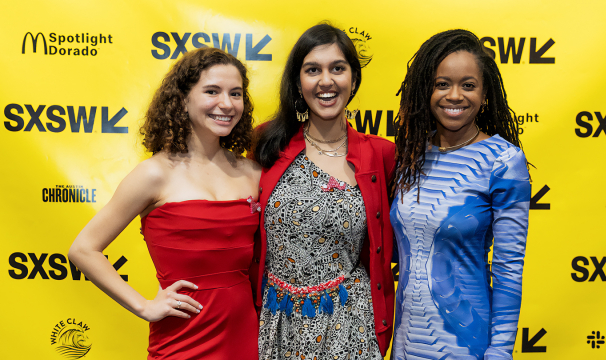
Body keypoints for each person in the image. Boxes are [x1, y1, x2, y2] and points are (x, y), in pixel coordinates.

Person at [68, 47, 261, 360]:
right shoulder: (153, 174)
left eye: (236, 93)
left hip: (246, 337)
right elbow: (83, 249)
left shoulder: (253, 173)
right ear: (183, 100)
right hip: (182, 340)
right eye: (212, 91)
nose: (226, 103)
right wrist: (144, 306)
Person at [251, 23, 395, 360]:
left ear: (354, 80)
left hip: (350, 326)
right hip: (277, 323)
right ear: (298, 82)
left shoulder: (380, 154)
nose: (326, 81)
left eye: (338, 68)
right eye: (313, 70)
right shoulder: (267, 143)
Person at [391, 29, 531, 360]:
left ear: (485, 95)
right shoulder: (411, 155)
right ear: (426, 90)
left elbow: (509, 269)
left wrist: (500, 351)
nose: (455, 96)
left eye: (468, 85)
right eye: (442, 84)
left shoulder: (503, 160)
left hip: (467, 345)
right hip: (406, 343)